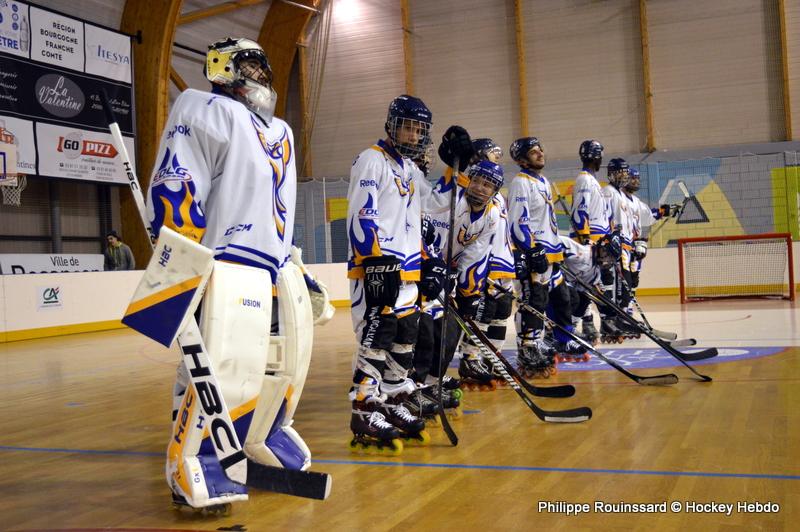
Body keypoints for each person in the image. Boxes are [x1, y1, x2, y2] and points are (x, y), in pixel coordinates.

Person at [143, 37, 330, 512]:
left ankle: (262, 434)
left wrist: (295, 264)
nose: (260, 76)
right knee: (220, 365)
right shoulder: (202, 108)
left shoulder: (281, 131)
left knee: (283, 365)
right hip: (224, 261)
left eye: (264, 68)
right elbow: (177, 180)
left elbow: (277, 208)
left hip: (272, 266)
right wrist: (179, 255)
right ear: (221, 67)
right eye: (249, 65)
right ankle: (196, 458)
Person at [346, 94, 448, 454]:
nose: (413, 134)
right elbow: (362, 213)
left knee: (405, 338)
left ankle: (391, 401)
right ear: (391, 124)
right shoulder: (371, 160)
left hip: (408, 272)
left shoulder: (410, 168)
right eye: (407, 127)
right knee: (377, 340)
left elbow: (434, 205)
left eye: (419, 130)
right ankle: (363, 409)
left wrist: (456, 170)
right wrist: (374, 262)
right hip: (379, 269)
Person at [507, 137, 580, 376]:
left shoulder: (544, 181)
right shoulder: (521, 182)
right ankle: (528, 348)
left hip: (552, 252)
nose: (540, 154)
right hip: (535, 254)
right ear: (521, 160)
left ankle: (563, 339)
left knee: (562, 298)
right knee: (533, 302)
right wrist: (531, 249)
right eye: (533, 152)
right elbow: (518, 222)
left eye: (540, 150)